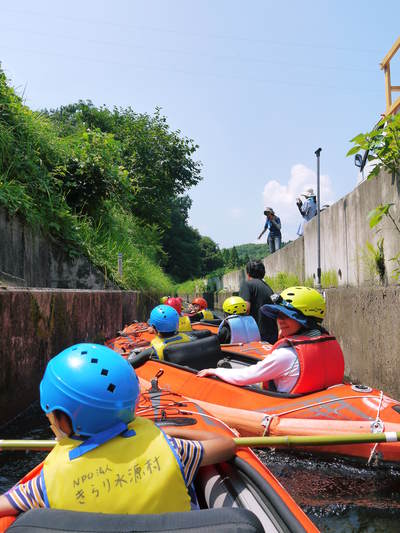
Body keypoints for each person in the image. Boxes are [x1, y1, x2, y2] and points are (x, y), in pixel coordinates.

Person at [0, 343, 235, 518]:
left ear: (65, 421)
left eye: (50, 414)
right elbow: (227, 444)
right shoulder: (173, 449)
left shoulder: (44, 486)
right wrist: (172, 431)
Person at [198, 287, 344, 394]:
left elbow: (244, 377)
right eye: (278, 314)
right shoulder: (329, 341)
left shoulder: (286, 355)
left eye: (287, 316)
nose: (279, 320)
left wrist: (215, 370)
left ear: (306, 320)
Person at [239, 260, 278, 344]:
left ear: (248, 273)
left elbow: (245, 309)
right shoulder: (268, 288)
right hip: (272, 336)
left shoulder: (247, 284)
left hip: (256, 337)